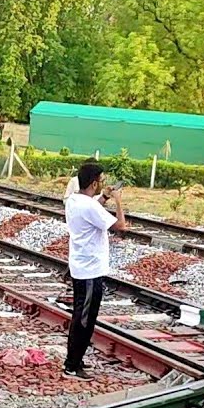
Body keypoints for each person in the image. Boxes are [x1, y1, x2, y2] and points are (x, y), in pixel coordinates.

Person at [63, 161, 127, 381]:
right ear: (93, 182)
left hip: (81, 267)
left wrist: (105, 197)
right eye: (101, 181)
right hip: (90, 271)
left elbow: (94, 207)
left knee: (81, 315)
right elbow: (120, 227)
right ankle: (72, 365)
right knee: (85, 319)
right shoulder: (88, 206)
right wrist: (118, 202)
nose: (103, 184)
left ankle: (75, 360)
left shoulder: (74, 201)